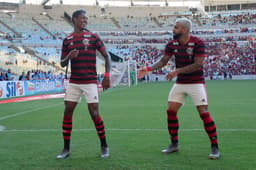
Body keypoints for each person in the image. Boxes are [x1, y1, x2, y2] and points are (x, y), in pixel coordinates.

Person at [138, 18, 220, 159]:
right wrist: (149, 68)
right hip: (181, 83)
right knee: (170, 111)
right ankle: (174, 144)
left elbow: (197, 64)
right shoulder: (172, 44)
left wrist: (177, 71)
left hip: (196, 82)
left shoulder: (198, 43)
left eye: (176, 27)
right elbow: (164, 61)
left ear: (185, 30)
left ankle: (215, 147)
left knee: (204, 113)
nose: (173, 29)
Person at [56, 9, 111, 159]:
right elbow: (62, 63)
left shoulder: (93, 37)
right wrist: (69, 56)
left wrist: (106, 76)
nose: (85, 21)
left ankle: (104, 146)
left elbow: (107, 56)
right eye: (82, 18)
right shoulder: (67, 40)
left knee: (94, 113)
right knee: (67, 111)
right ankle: (66, 149)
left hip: (90, 81)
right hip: (74, 81)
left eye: (86, 19)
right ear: (74, 19)